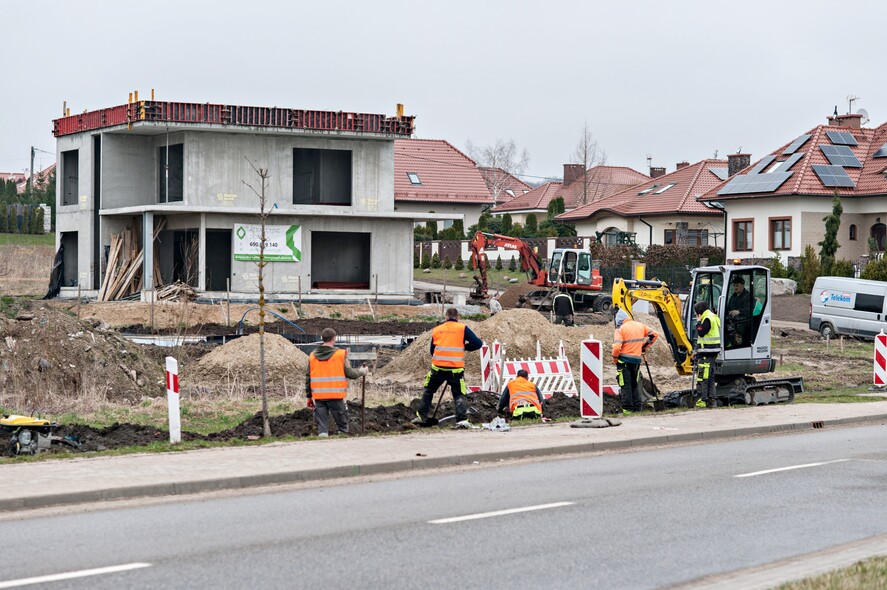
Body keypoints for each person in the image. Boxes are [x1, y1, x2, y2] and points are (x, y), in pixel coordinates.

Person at [412, 307, 483, 429]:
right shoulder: (462, 328)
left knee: (428, 391)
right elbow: (478, 343)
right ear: (458, 317)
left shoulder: (437, 330)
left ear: (446, 317)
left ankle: (421, 417)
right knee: (459, 394)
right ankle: (461, 420)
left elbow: (432, 351)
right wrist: (465, 347)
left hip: (437, 368)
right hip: (455, 370)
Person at [305, 327, 368, 437]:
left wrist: (309, 396)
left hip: (319, 397)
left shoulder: (312, 356)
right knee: (343, 427)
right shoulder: (340, 355)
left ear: (322, 338)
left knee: (322, 429)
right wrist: (362, 372)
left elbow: (308, 378)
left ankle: (322, 445)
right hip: (336, 396)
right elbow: (351, 374)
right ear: (334, 338)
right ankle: (340, 445)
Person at [612, 307, 658, 413]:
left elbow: (617, 347)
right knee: (634, 384)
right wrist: (644, 346)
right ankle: (637, 408)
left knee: (625, 385)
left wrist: (614, 358)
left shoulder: (620, 329)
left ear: (618, 320)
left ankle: (627, 409)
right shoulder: (640, 326)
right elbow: (655, 335)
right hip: (636, 361)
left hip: (623, 361)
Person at [693, 301, 721, 408]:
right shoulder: (713, 316)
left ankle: (702, 401)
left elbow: (701, 332)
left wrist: (698, 322)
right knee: (710, 377)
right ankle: (711, 401)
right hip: (712, 352)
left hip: (706, 352)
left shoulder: (707, 318)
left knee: (702, 377)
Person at [725, 276, 752, 347]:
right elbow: (728, 308)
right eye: (734, 286)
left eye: (737, 285)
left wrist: (739, 311)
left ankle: (737, 342)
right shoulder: (733, 297)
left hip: (744, 322)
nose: (735, 287)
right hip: (733, 320)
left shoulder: (748, 296)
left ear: (742, 285)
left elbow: (749, 310)